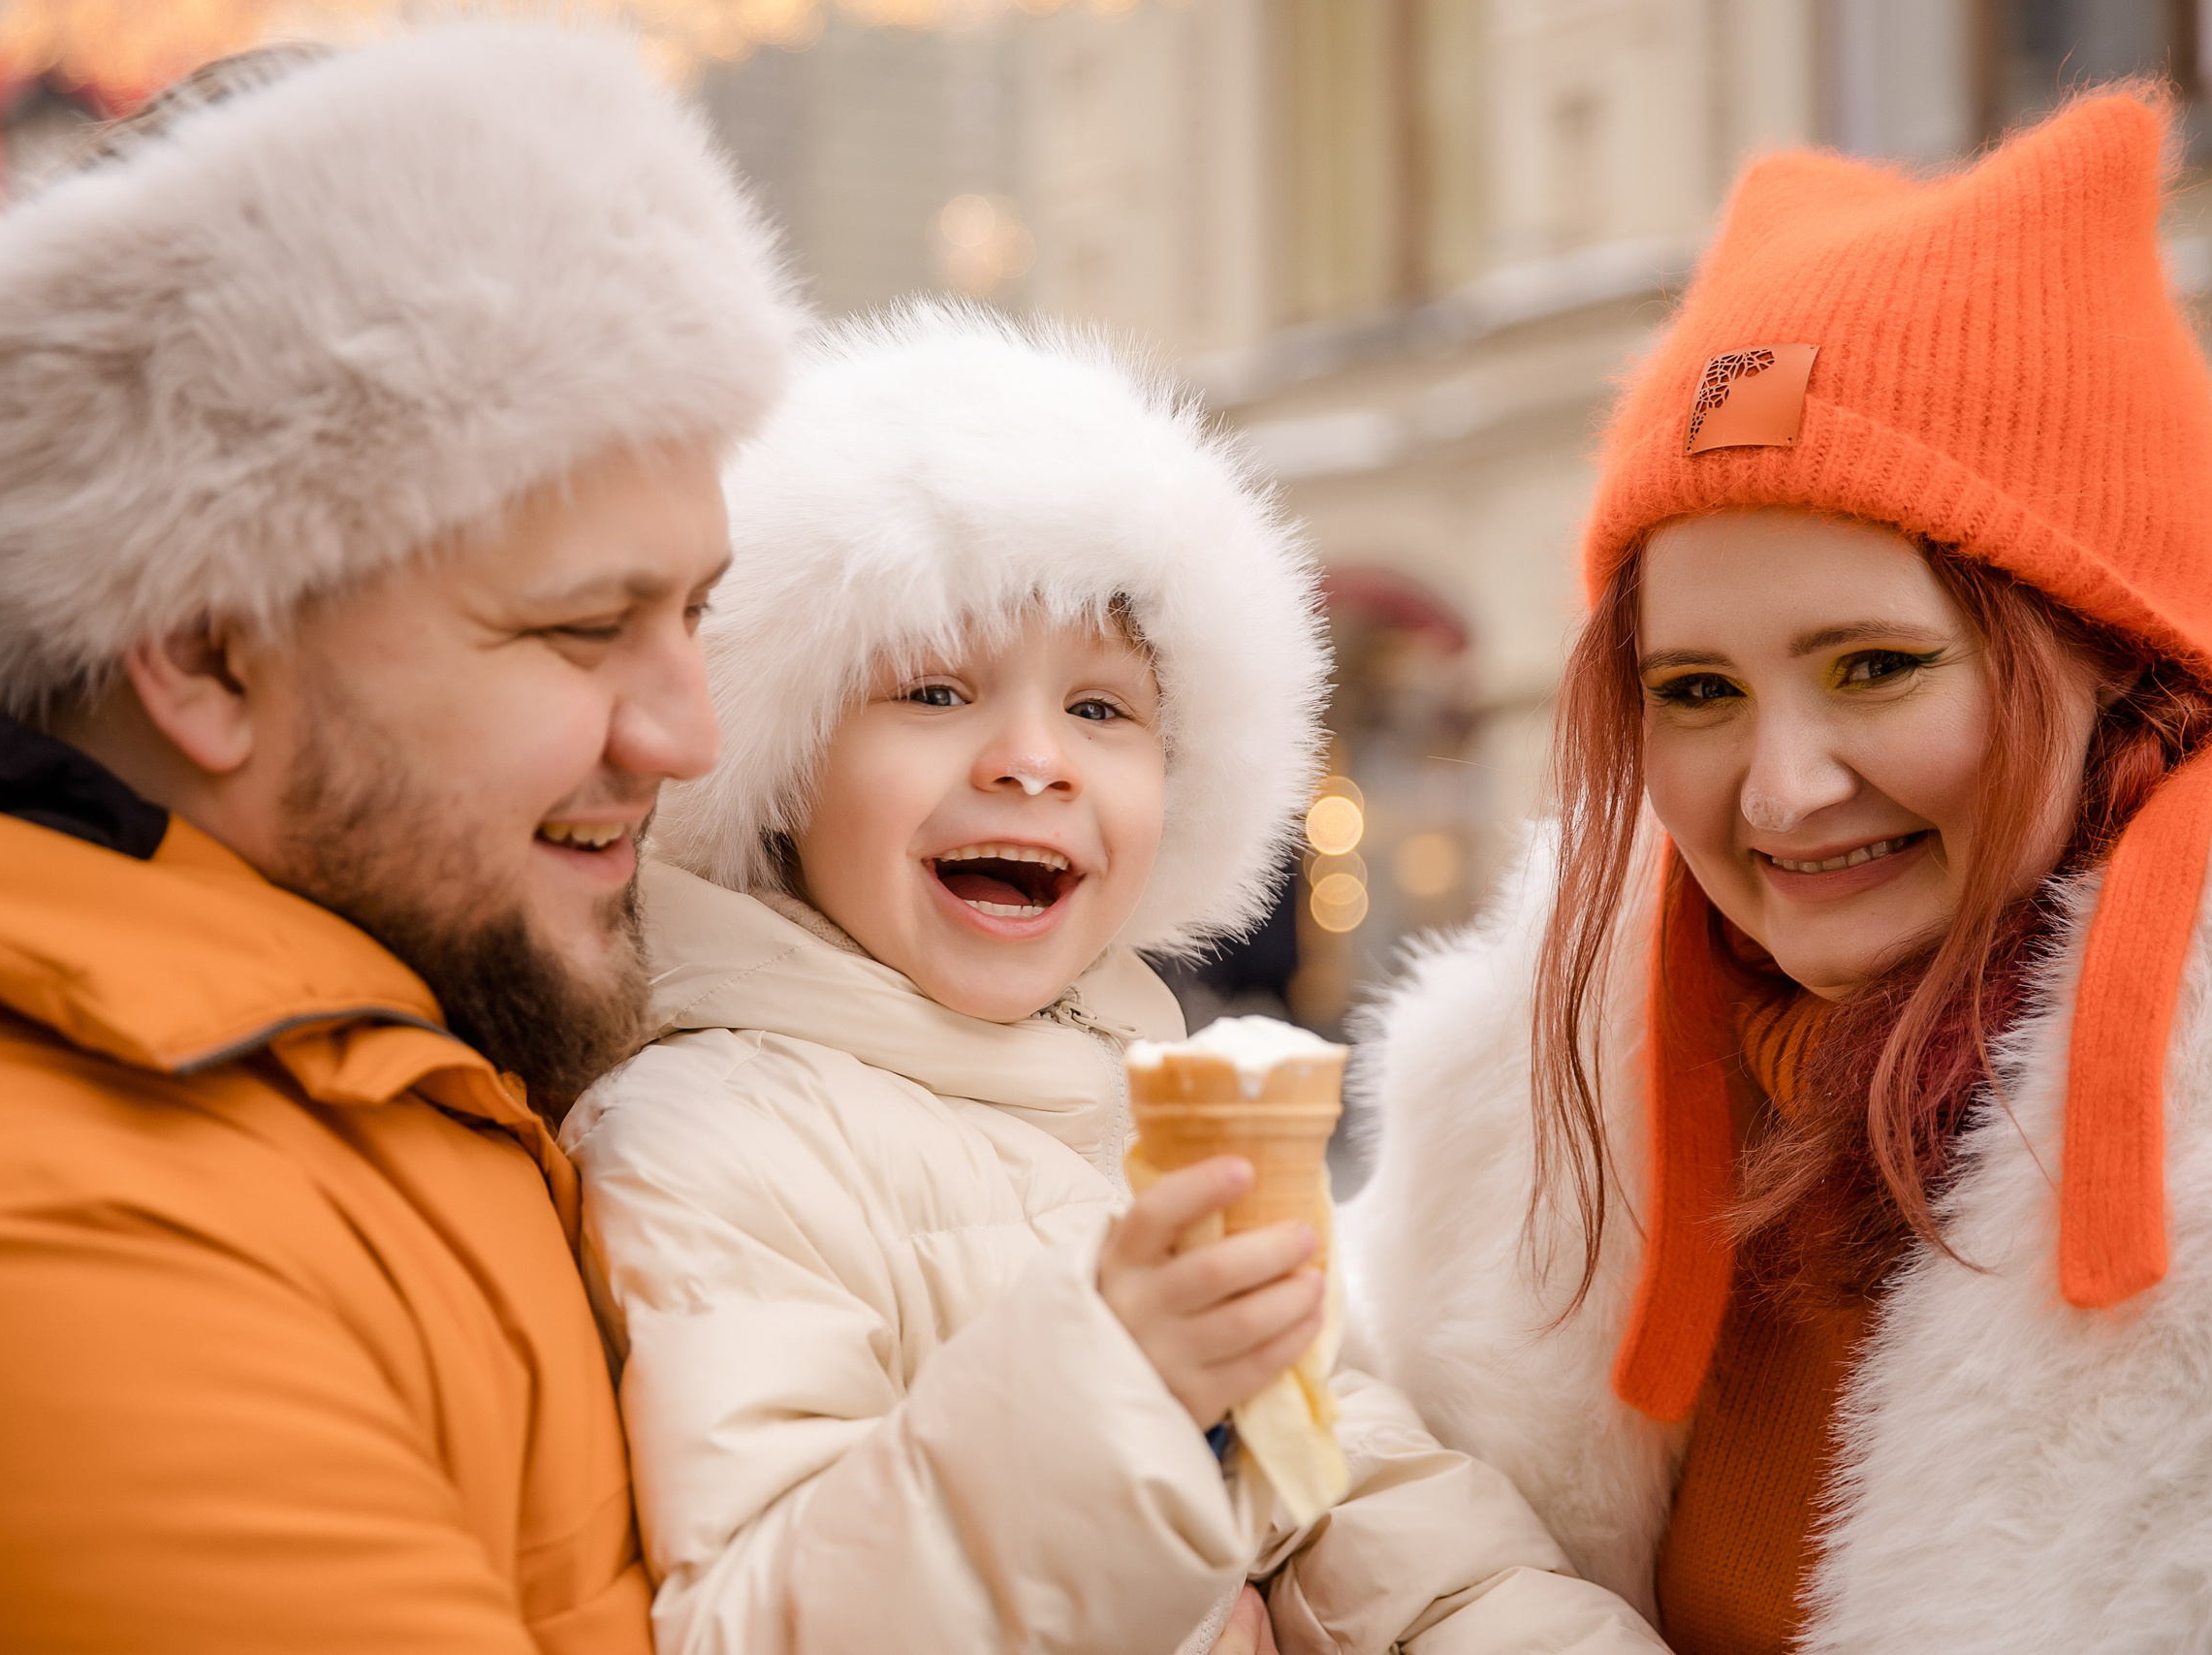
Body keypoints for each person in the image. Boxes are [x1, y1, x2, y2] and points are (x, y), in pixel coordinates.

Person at [1343, 91, 2212, 1652]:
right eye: (1696, 691)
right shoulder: (1521, 1100)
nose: (1783, 787)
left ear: (2111, 668)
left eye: (1877, 667)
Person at [564, 303, 1666, 1655]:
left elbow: (1378, 1521)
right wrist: (1111, 1399)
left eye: (1101, 709)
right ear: (783, 761)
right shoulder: (704, 1141)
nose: (1037, 761)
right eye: (932, 694)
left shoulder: (1139, 1119)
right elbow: (757, 1621)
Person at [0, 23, 800, 1651]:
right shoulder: (45, 1219)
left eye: (696, 614)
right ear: (205, 655)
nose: (687, 734)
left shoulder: (438, 1052)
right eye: (585, 630)